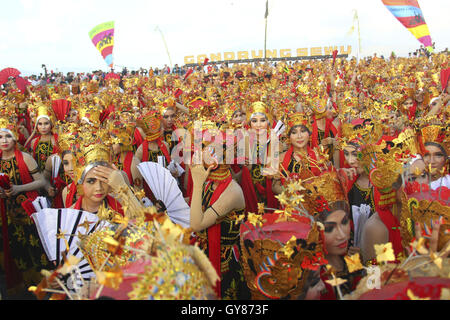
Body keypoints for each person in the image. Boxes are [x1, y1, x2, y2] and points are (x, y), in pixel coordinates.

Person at [188, 124, 248, 299]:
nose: (201, 154)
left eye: (208, 151)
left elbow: (197, 224)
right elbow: (198, 205)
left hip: (224, 262)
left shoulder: (232, 192)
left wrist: (197, 184)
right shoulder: (211, 182)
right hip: (203, 254)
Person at [0, 116, 51, 298]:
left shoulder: (26, 158)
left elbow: (41, 181)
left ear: (14, 139)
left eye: (7, 137)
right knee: (16, 247)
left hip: (28, 210)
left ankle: (44, 282)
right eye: (0, 137)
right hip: (6, 213)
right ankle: (24, 284)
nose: (4, 141)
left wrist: (18, 188)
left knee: (36, 245)